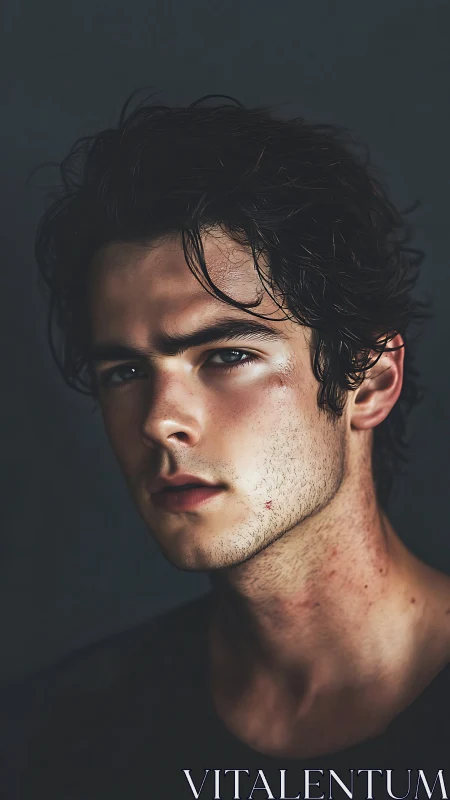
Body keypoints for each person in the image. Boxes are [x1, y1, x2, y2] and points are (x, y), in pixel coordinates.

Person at [1, 92, 449, 800]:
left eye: (226, 356)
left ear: (370, 382)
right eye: (125, 372)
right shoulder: (53, 741)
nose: (159, 421)